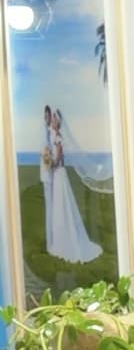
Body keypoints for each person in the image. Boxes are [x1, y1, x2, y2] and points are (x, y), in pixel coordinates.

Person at [45, 108, 102, 265]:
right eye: (53, 119)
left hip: (59, 173)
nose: (53, 121)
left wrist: (50, 164)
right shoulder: (52, 136)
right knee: (58, 207)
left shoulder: (58, 137)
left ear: (59, 122)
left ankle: (65, 242)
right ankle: (60, 240)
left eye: (55, 119)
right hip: (57, 174)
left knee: (62, 206)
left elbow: (59, 158)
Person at [38, 104, 54, 245]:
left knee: (53, 207)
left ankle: (54, 239)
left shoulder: (49, 130)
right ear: (45, 116)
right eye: (46, 115)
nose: (48, 118)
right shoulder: (43, 130)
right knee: (49, 207)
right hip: (46, 173)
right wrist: (47, 159)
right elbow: (42, 151)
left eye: (49, 115)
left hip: (51, 172)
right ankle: (50, 242)